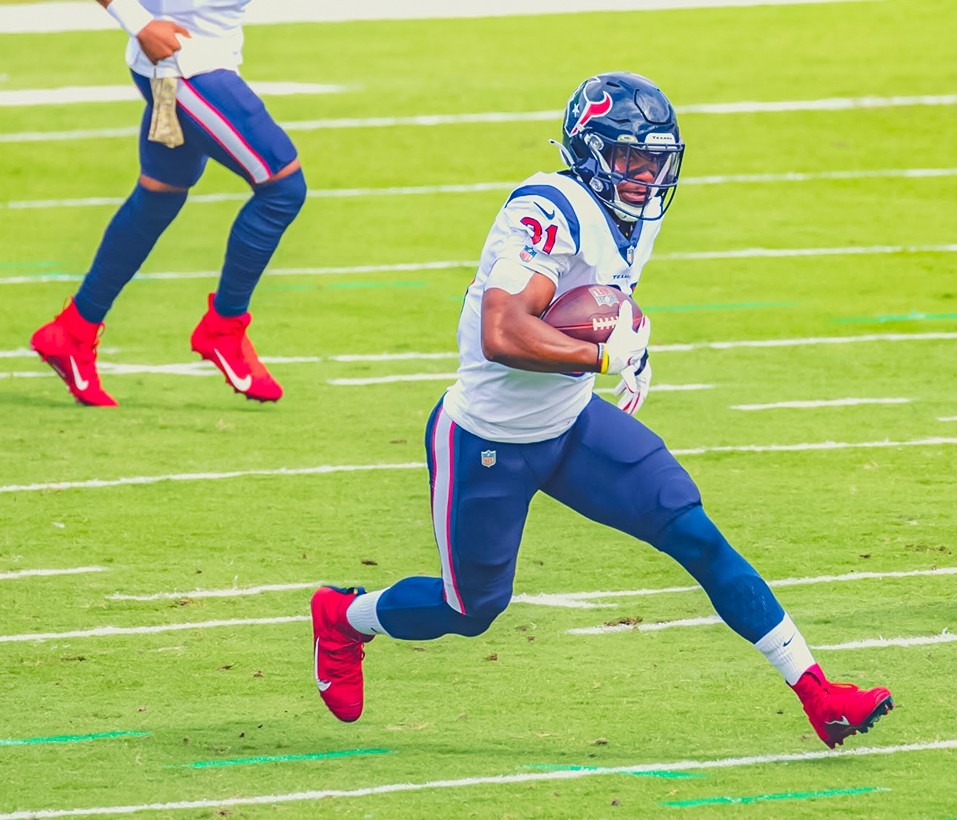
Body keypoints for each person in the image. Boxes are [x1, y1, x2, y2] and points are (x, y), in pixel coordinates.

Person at [309, 72, 894, 748]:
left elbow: (602, 302)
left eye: (657, 161)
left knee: (694, 531)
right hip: (487, 437)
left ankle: (819, 695)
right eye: (631, 159)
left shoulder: (633, 214)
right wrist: (601, 359)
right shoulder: (550, 208)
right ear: (590, 153)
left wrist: (632, 343)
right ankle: (345, 619)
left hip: (572, 423)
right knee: (470, 609)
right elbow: (504, 332)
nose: (646, 176)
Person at [30, 0, 305, 406]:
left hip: (198, 59)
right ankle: (223, 329)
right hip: (184, 65)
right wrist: (138, 22)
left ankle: (73, 330)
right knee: (282, 189)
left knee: (160, 195)